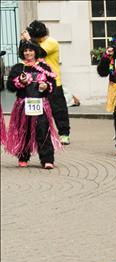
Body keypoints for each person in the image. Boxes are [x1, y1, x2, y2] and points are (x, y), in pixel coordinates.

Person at [4, 39, 60, 168]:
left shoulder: (44, 67)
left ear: (35, 52)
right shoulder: (18, 68)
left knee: (43, 130)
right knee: (24, 131)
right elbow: (10, 86)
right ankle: (23, 156)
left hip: (41, 105)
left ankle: (47, 159)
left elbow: (53, 85)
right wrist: (20, 81)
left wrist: (46, 86)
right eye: (25, 50)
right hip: (23, 105)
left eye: (30, 50)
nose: (28, 53)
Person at [25, 21, 69, 145]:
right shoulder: (34, 43)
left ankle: (64, 134)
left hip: (53, 82)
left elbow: (40, 52)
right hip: (37, 82)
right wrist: (25, 42)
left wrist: (28, 40)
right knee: (38, 110)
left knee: (58, 109)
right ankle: (39, 134)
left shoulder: (51, 42)